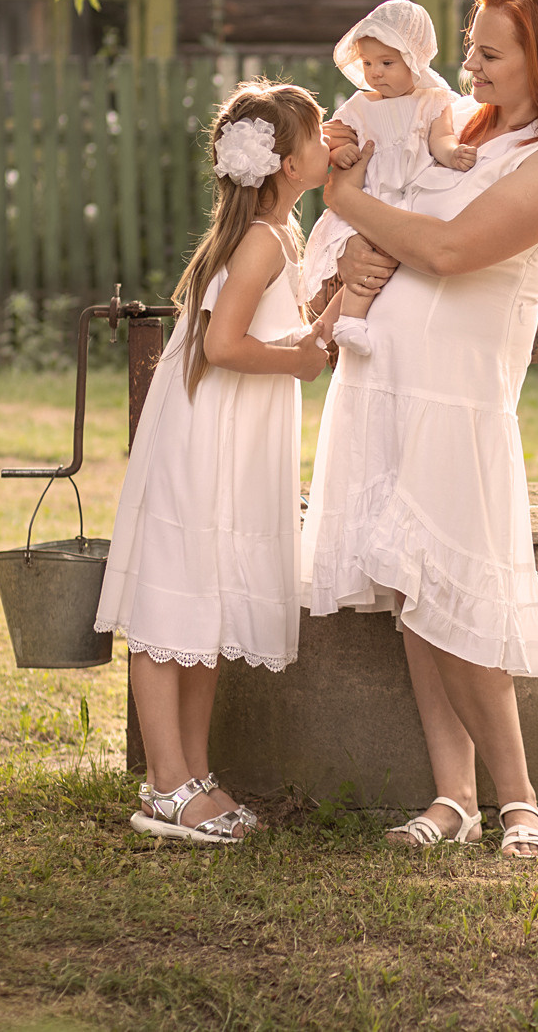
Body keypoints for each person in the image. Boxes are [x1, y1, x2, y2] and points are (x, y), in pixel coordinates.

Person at [301, 0, 538, 861]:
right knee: (414, 592)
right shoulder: (460, 135)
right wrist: (350, 209)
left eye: (490, 52)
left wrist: (346, 203)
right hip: (382, 381)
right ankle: (452, 797)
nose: (469, 66)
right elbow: (389, 226)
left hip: (456, 398)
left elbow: (455, 250)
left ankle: (522, 802)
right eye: (469, 47)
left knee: (458, 594)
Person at [93, 80, 331, 843]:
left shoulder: (275, 232)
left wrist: (330, 317)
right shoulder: (262, 239)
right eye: (320, 137)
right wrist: (300, 363)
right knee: (174, 603)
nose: (330, 148)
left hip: (226, 429)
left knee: (205, 605)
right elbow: (226, 345)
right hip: (208, 435)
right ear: (288, 163)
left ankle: (192, 773)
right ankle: (165, 784)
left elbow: (272, 329)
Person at [302, 0, 474, 358]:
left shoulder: (432, 100)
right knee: (368, 260)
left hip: (411, 197)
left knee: (386, 263)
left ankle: (338, 326)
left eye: (386, 63)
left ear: (414, 59)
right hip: (372, 197)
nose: (375, 73)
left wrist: (452, 153)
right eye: (367, 63)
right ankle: (346, 323)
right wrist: (340, 154)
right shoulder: (360, 106)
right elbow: (336, 140)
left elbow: (440, 138)